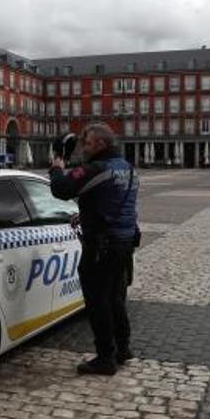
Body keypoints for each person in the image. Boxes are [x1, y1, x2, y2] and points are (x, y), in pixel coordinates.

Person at [49, 123, 139, 376]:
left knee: (97, 301)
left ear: (100, 144)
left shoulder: (99, 168)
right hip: (124, 241)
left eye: (87, 143)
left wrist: (57, 168)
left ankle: (105, 358)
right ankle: (123, 348)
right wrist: (87, 215)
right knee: (116, 298)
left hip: (102, 246)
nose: (84, 148)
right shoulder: (127, 169)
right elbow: (113, 201)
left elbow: (62, 189)